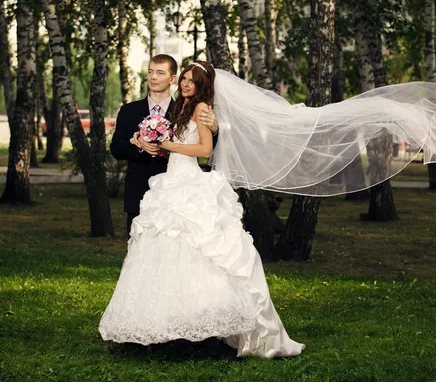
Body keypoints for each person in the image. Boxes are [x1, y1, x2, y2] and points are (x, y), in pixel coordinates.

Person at [99, 61, 305, 358]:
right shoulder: (177, 108)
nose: (185, 84)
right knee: (163, 257)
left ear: (201, 86)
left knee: (198, 254)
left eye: (190, 81)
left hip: (188, 182)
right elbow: (123, 145)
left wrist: (173, 143)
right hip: (166, 184)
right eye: (183, 79)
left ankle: (202, 327)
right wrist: (139, 140)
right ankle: (162, 324)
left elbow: (206, 148)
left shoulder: (199, 109)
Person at [109, 54, 218, 235]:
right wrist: (138, 146)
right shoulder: (129, 111)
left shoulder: (185, 110)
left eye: (160, 73)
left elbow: (205, 145)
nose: (153, 77)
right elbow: (116, 149)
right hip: (139, 191)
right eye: (150, 72)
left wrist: (214, 128)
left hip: (176, 192)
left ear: (172, 78)